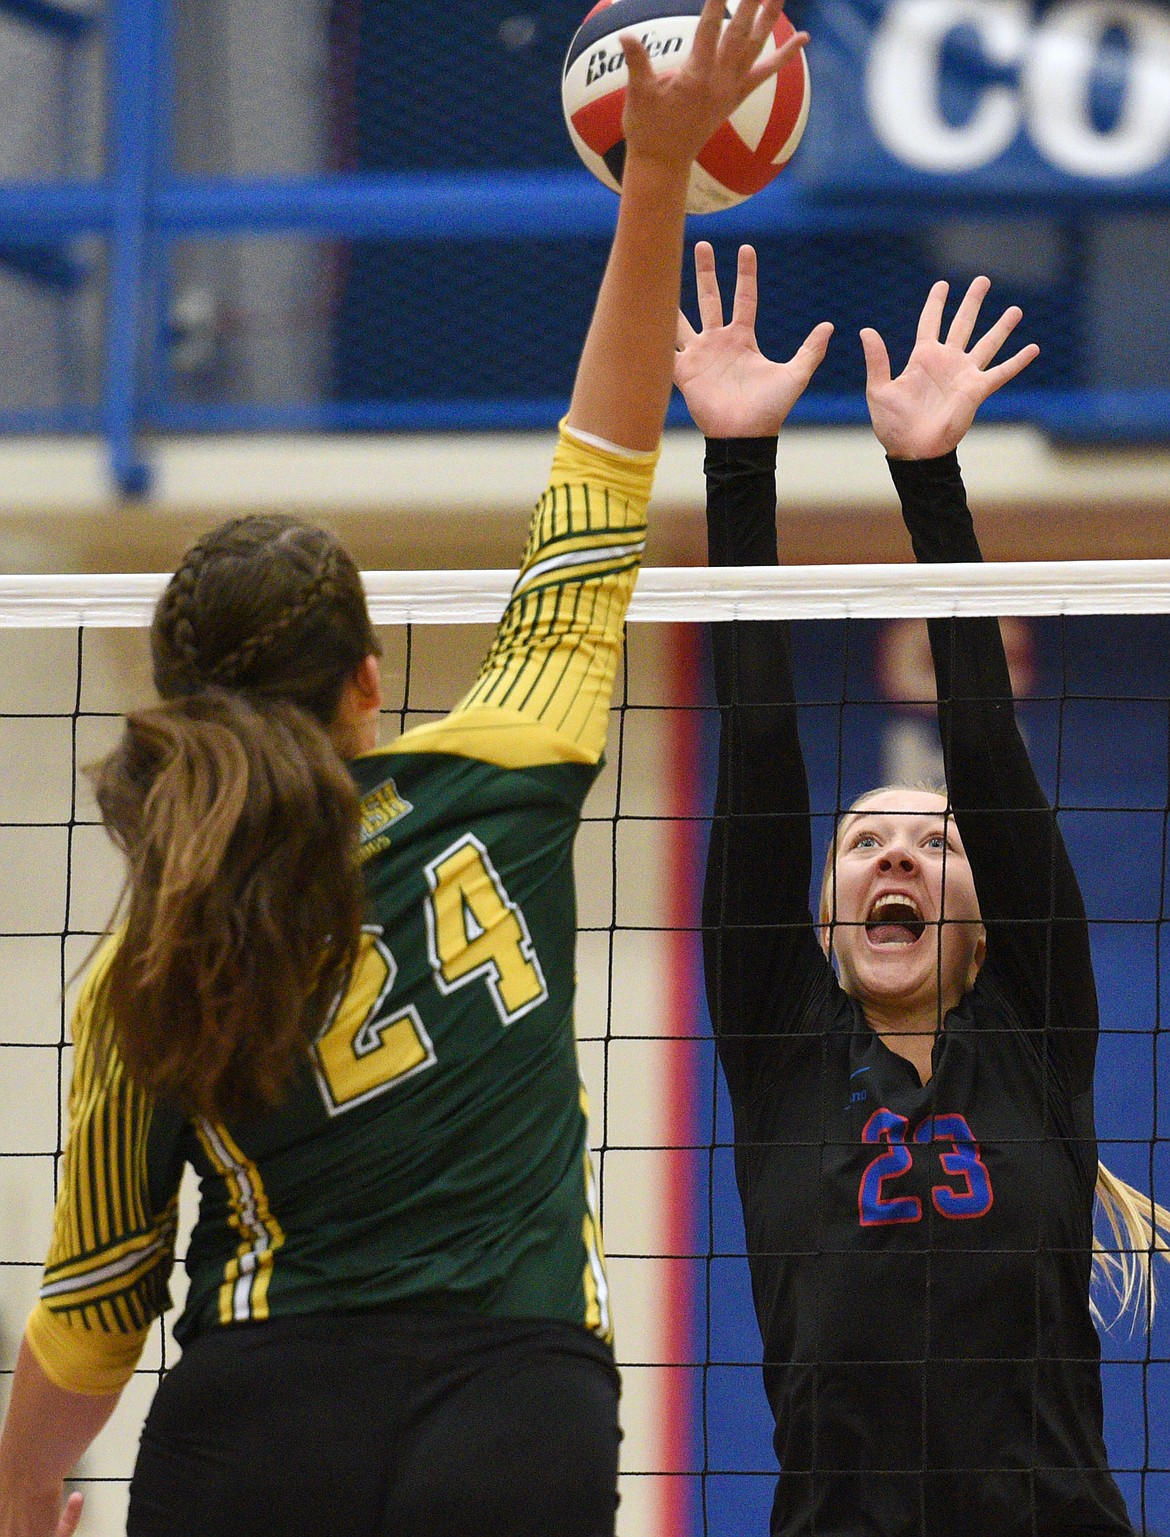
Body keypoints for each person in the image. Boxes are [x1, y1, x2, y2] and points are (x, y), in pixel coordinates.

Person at [0, 12, 809, 1537]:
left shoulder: (147, 951)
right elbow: (600, 474)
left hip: (257, 1420)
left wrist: (28, 1477)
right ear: (372, 680)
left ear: (181, 709)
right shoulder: (505, 769)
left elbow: (97, 1298)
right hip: (517, 1403)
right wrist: (652, 179)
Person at [675, 241, 1170, 1536]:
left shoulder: (1033, 1032)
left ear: (987, 920)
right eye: (861, 846)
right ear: (825, 919)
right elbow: (763, 741)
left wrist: (926, 475)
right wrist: (738, 459)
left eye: (932, 846)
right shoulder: (779, 1041)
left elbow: (982, 742)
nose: (892, 854)